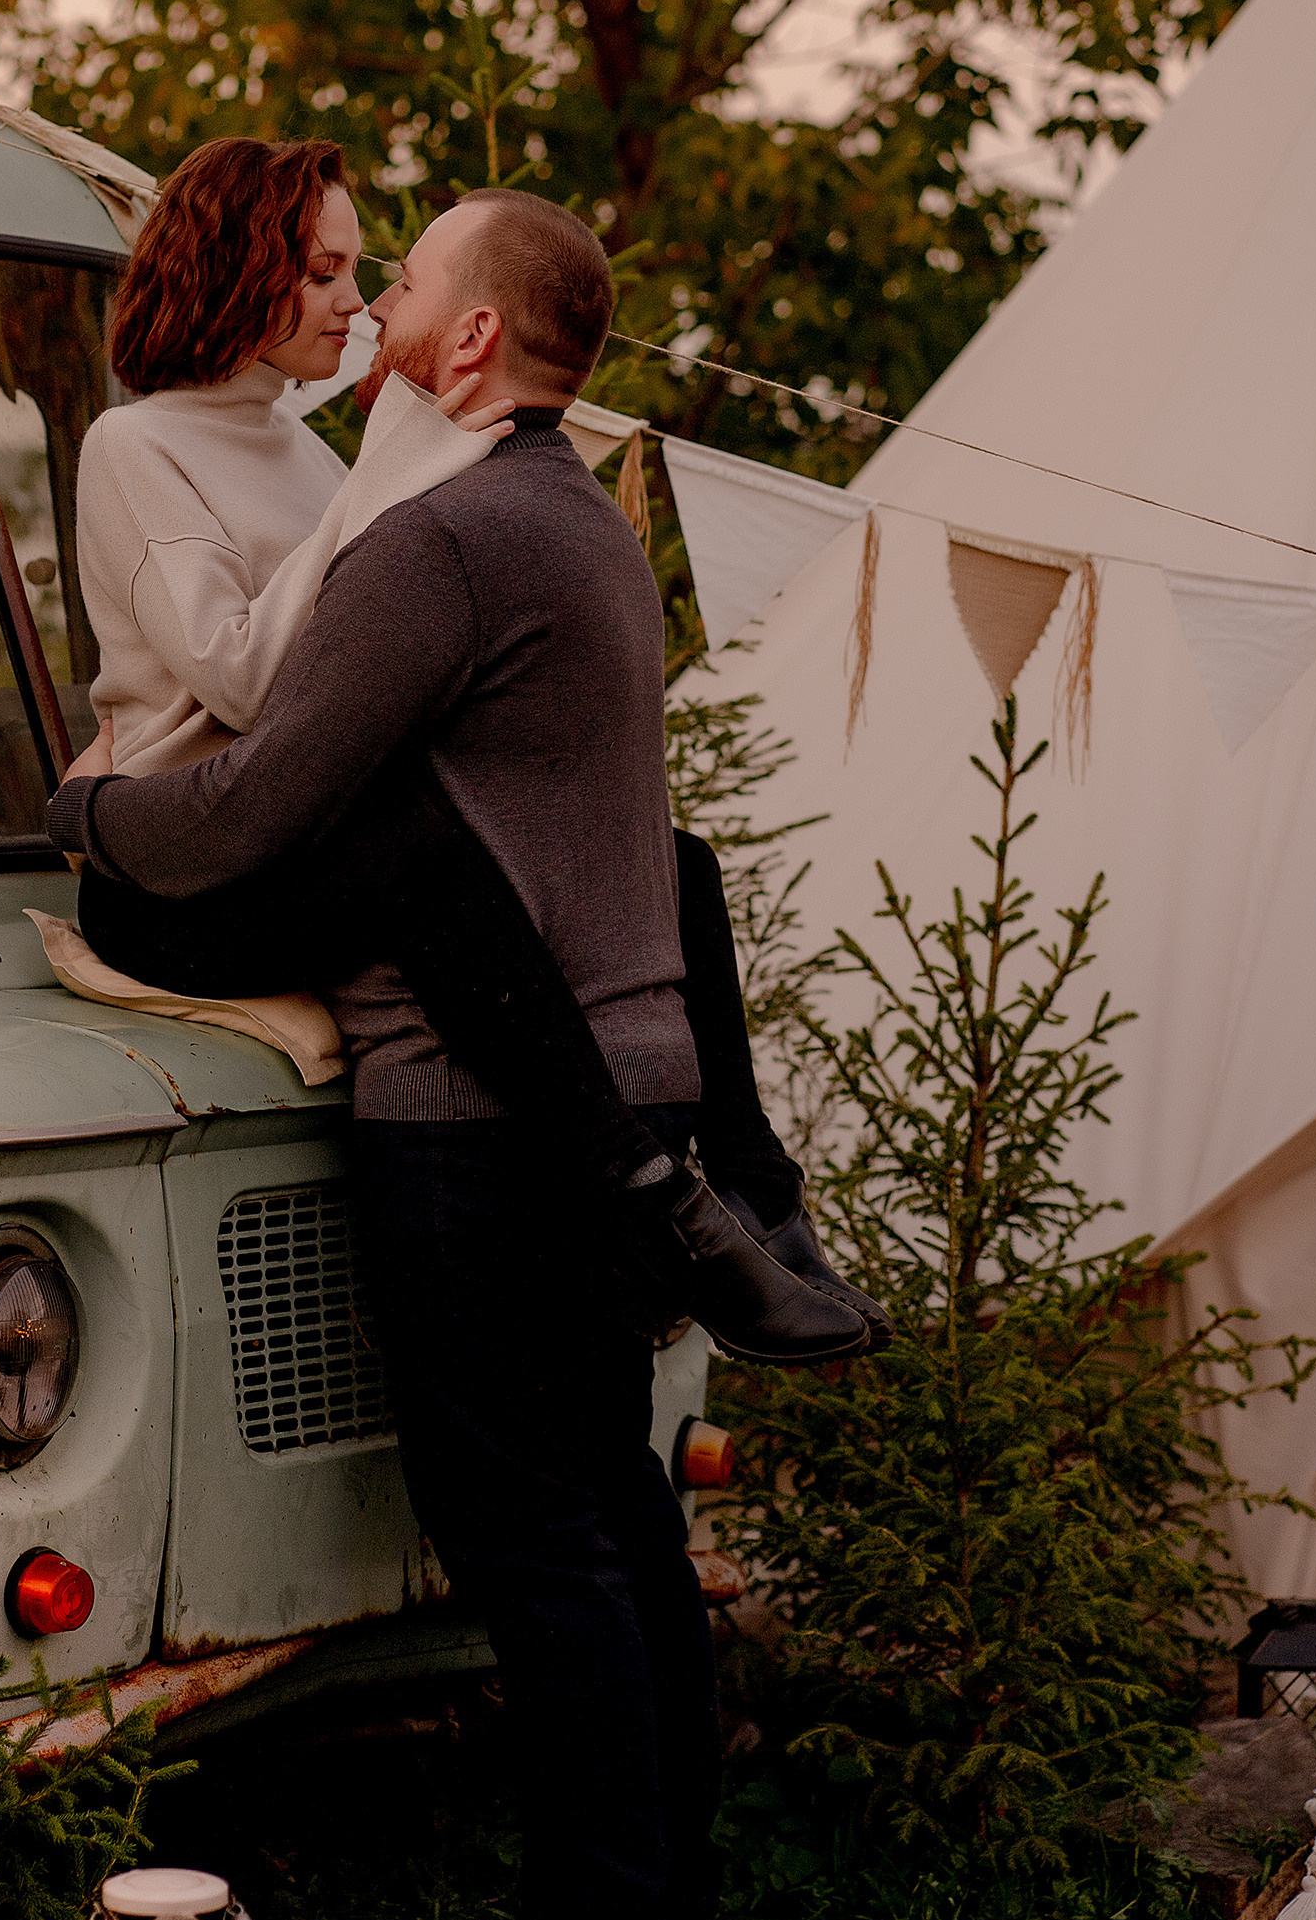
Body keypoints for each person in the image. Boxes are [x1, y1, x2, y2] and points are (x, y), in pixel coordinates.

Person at [48, 184, 876, 1920]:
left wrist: (93, 819)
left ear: (473, 342)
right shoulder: (582, 527)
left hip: (476, 1126)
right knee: (623, 1536)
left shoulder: (441, 540)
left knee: (543, 1562)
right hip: (627, 1101)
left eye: (405, 275)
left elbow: (261, 803)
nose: (383, 299)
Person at [67, 134, 865, 1364]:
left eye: (361, 274)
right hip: (183, 859)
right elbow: (234, 669)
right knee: (418, 851)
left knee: (671, 861)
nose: (356, 303)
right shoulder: (138, 446)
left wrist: (383, 481)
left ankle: (760, 1196)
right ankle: (654, 1198)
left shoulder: (302, 444)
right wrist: (382, 482)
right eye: (325, 273)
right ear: (240, 273)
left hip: (304, 843)